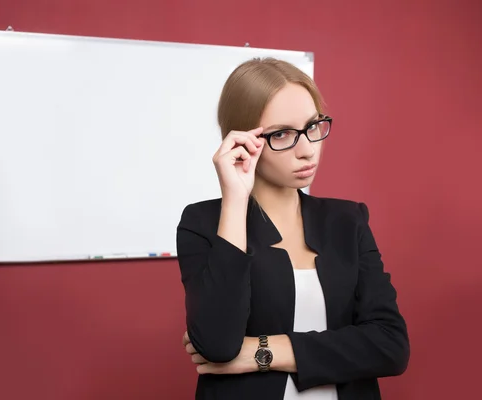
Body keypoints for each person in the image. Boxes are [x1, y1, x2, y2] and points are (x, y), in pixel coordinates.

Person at [176, 58, 410, 400]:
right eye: (282, 134)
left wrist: (262, 353)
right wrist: (235, 201)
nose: (307, 150)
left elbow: (391, 345)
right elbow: (218, 344)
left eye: (313, 126)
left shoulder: (347, 220)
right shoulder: (203, 223)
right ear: (241, 140)